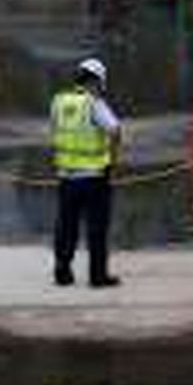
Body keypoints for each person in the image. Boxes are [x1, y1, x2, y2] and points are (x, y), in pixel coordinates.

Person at [50, 58, 121, 287]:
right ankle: (97, 276)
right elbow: (115, 129)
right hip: (94, 177)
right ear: (97, 81)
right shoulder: (93, 103)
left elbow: (55, 131)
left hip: (65, 176)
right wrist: (113, 159)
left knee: (65, 226)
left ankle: (62, 271)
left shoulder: (58, 101)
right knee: (96, 228)